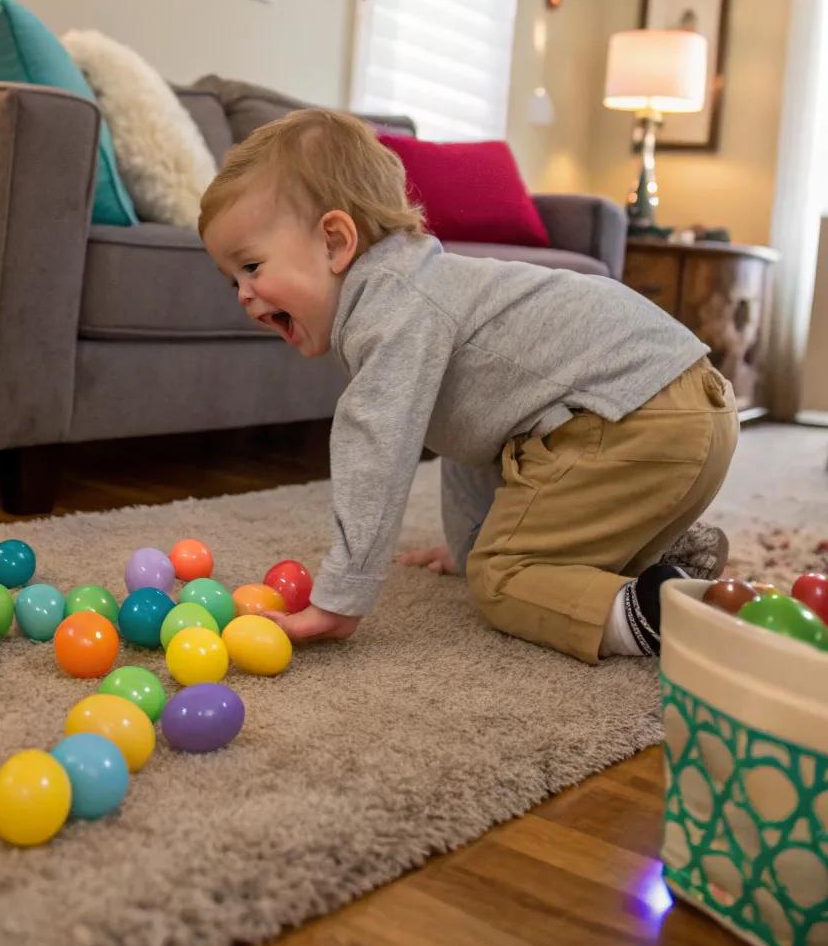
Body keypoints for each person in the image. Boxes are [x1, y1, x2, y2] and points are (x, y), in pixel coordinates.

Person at [198, 110, 738, 664]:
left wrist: (341, 593)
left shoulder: (391, 307)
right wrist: (469, 541)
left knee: (504, 577)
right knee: (507, 526)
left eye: (253, 266)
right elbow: (473, 438)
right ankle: (670, 554)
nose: (242, 293)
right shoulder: (428, 289)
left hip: (640, 417)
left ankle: (649, 615)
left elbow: (375, 445)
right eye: (232, 279)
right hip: (686, 410)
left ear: (335, 241)